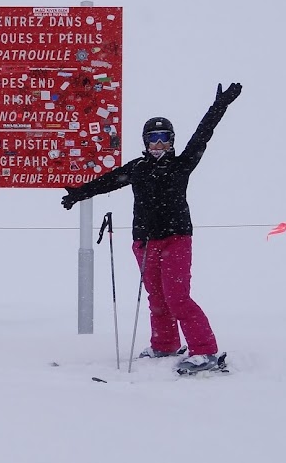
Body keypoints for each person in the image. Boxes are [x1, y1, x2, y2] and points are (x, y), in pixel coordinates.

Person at [61, 83, 242, 374]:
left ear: (171, 141)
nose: (158, 144)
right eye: (153, 139)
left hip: (176, 239)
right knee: (157, 299)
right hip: (144, 243)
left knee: (177, 297)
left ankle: (205, 351)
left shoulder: (182, 165)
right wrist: (78, 194)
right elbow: (108, 181)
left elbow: (203, 135)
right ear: (145, 142)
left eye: (164, 138)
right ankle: (165, 345)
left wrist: (219, 105)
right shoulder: (138, 168)